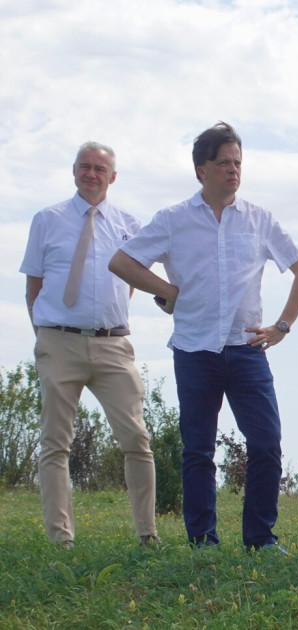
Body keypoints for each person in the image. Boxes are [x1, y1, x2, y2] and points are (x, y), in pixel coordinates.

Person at [110, 122, 298, 551]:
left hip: (247, 350)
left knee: (266, 443)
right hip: (194, 349)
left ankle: (261, 539)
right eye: (224, 163)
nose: (233, 170)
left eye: (238, 162)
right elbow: (123, 262)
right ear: (201, 169)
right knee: (199, 450)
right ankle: (203, 541)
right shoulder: (173, 219)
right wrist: (166, 291)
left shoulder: (260, 220)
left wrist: (282, 326)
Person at [21, 142, 159, 549]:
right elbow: (34, 286)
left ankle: (147, 535)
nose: (92, 174)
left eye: (100, 168)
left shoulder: (129, 224)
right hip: (58, 342)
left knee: (136, 440)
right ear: (74, 171)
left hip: (113, 346)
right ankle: (60, 540)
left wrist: (107, 323)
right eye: (85, 166)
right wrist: (44, 338)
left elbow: (132, 282)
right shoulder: (47, 220)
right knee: (55, 444)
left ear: (112, 177)